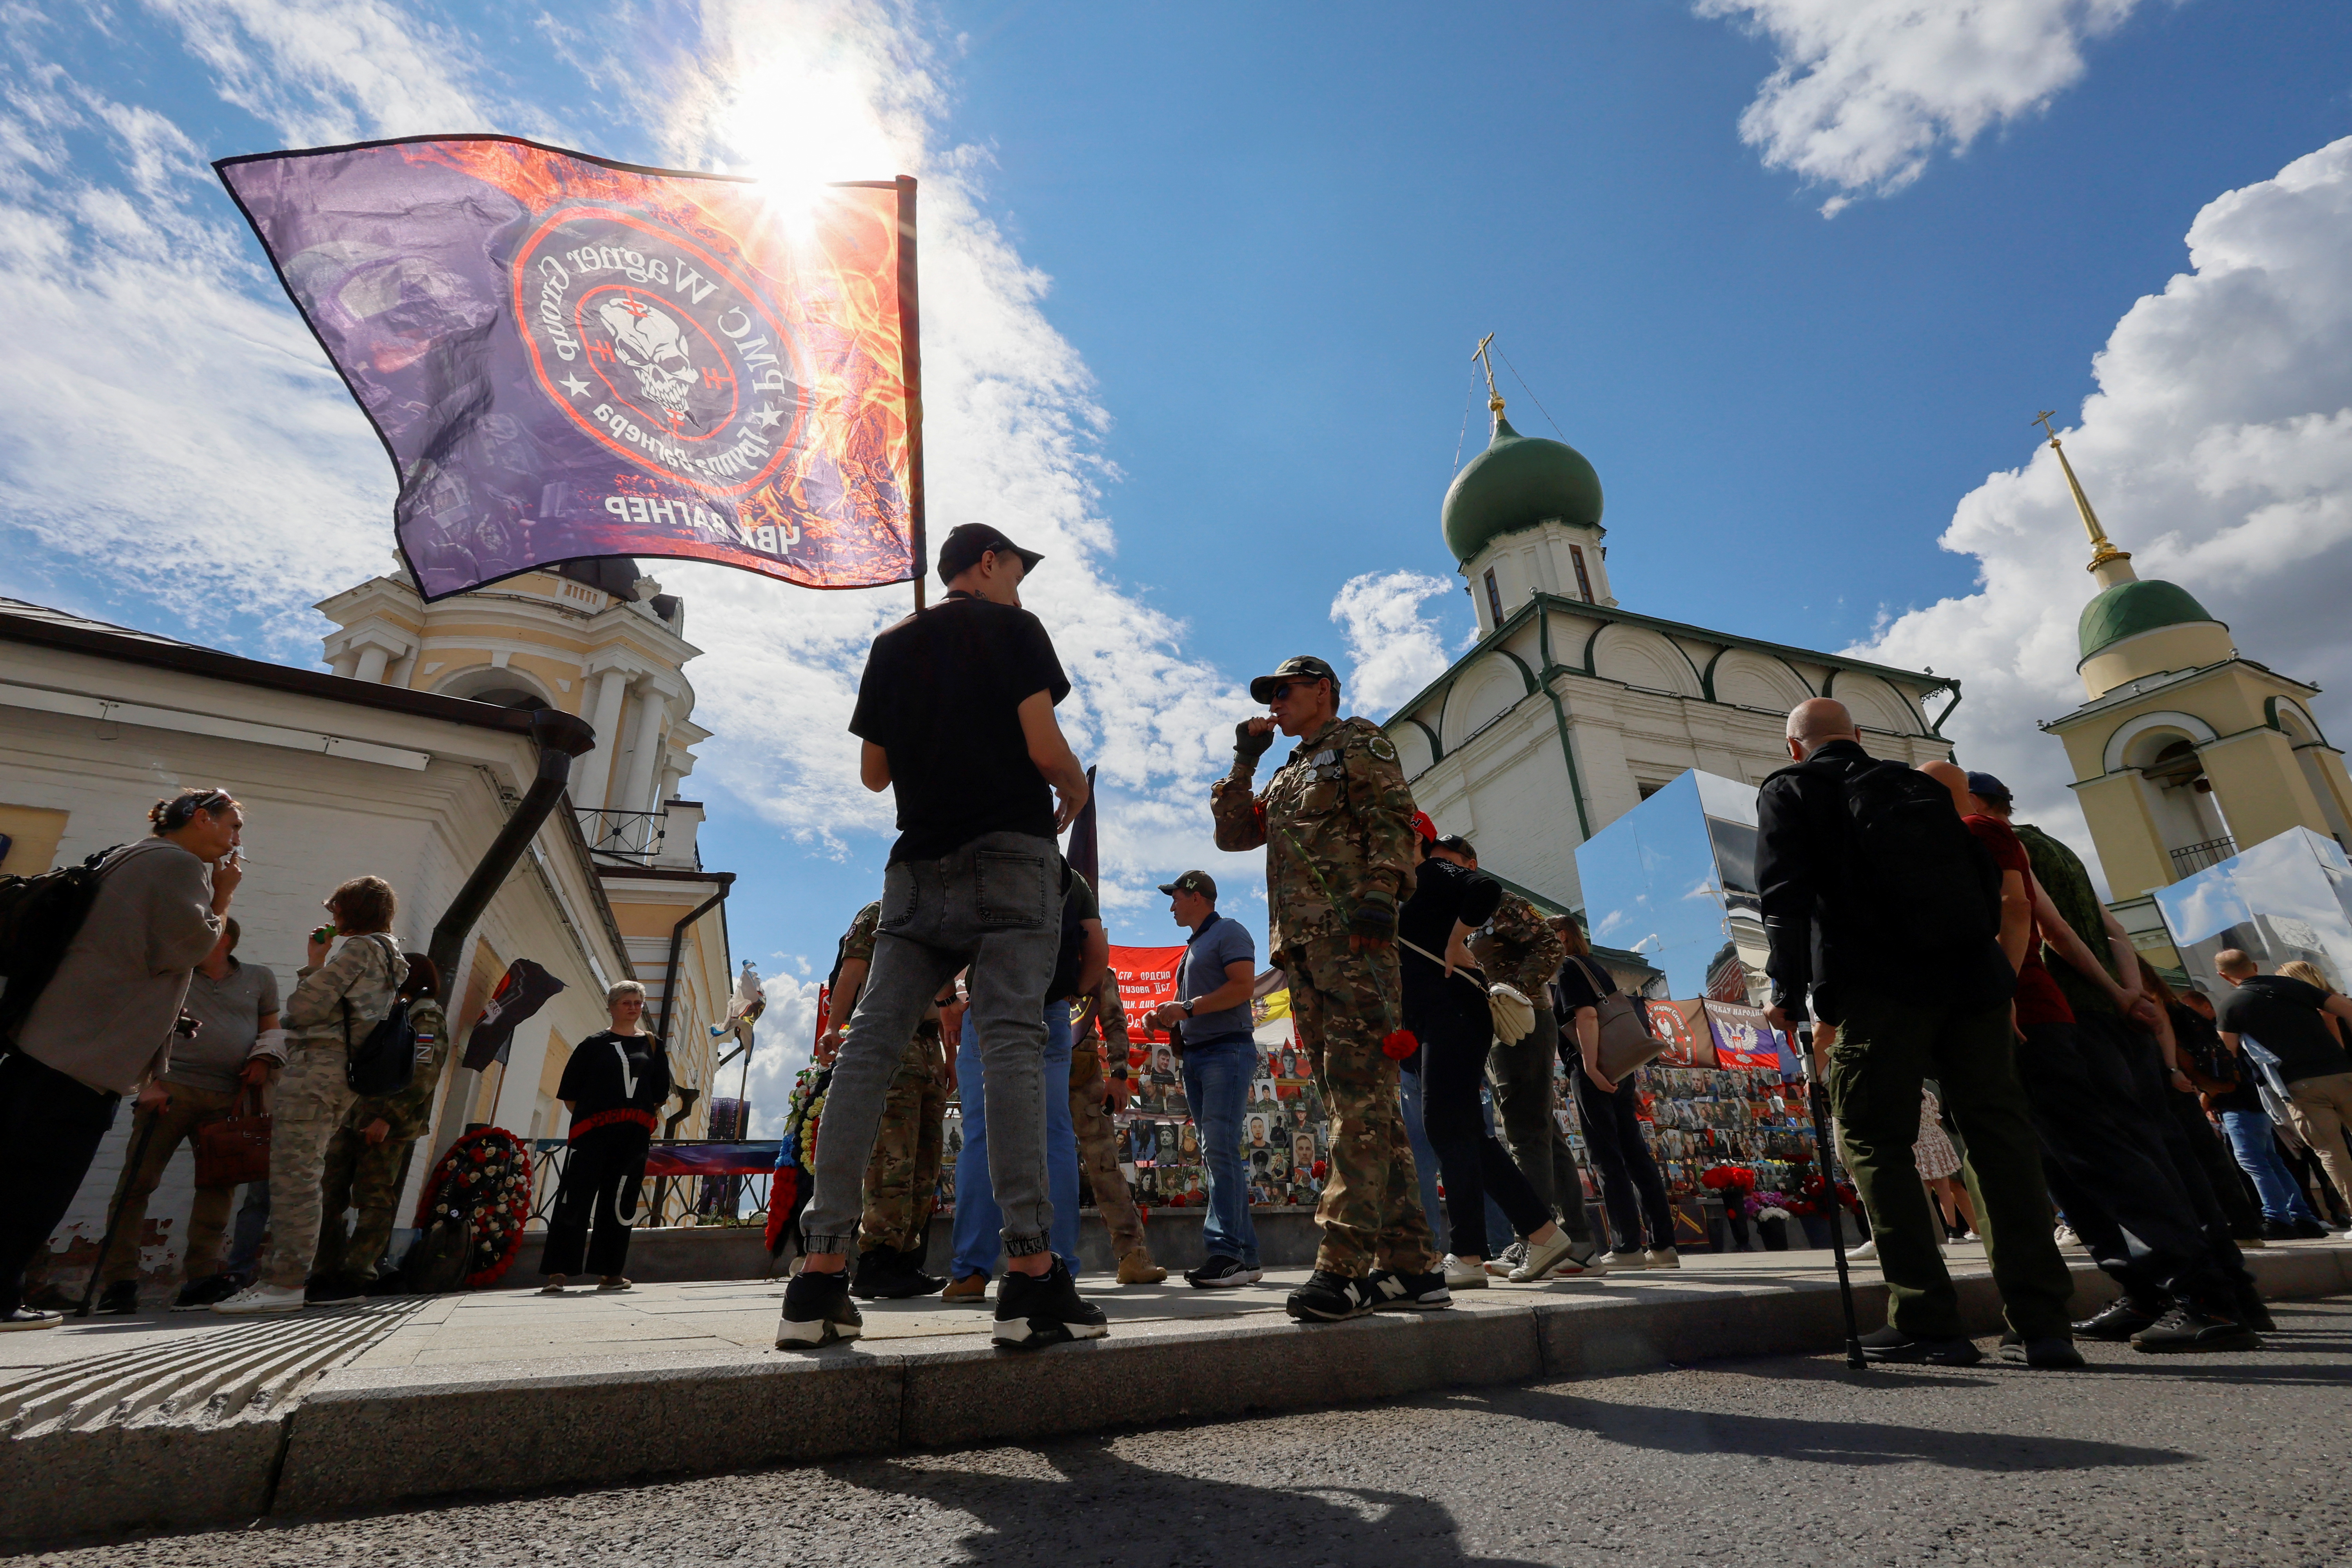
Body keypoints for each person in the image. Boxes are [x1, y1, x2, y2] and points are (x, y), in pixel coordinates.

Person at [779, 524, 1103, 1353]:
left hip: (917, 865)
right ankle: (1031, 1275)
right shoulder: (1015, 629)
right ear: (988, 563)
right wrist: (1071, 789)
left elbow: (875, 773)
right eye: (1019, 572)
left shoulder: (893, 645)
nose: (1022, 588)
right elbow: (1042, 743)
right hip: (1011, 854)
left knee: (869, 1045)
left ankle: (819, 1270)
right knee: (1009, 1041)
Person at [1754, 701, 2078, 1367]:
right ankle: (2043, 1325)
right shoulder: (1917, 786)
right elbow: (1986, 881)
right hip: (1973, 981)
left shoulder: (1792, 790)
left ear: (1794, 748)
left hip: (1880, 986)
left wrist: (1786, 991)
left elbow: (1783, 896)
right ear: (1861, 736)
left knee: (1876, 1138)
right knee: (1999, 1134)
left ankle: (1929, 1321)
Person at [1922, 761, 2255, 1352]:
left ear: (1968, 798)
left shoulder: (1980, 835)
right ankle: (2162, 1289)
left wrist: (2005, 992)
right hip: (2079, 1014)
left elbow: (2028, 920)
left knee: (2098, 1155)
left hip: (2038, 1015)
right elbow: (2093, 934)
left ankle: (2200, 1293)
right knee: (2083, 1161)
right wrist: (2125, 994)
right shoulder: (2047, 848)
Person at [1212, 654, 1442, 1321]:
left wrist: (1381, 893)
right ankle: (1412, 1267)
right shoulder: (1285, 775)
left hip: (1355, 942)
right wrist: (1245, 763)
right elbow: (1233, 836)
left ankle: (1343, 1268)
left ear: (1323, 691)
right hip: (1305, 954)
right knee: (1360, 1102)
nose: (1275, 703)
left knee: (1359, 1106)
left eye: (1285, 692)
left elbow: (1395, 819)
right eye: (1269, 695)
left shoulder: (1358, 743)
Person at [2, 789, 241, 1330]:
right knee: (39, 1181)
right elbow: (191, 948)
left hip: (47, 1039)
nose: (236, 840)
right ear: (201, 819)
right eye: (233, 825)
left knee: (14, 1168)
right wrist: (224, 897)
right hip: (84, 1055)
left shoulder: (129, 854)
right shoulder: (181, 865)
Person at [216, 875, 402, 1316]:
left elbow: (302, 1009)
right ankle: (287, 1278)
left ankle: (283, 1281)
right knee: (305, 1172)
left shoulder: (360, 949)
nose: (331, 916)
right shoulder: (392, 956)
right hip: (344, 1076)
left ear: (348, 912)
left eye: (336, 909)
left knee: (293, 1175)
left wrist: (314, 963)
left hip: (319, 1069)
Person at [1401, 833, 1581, 1286]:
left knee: (1448, 1124)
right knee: (1461, 1131)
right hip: (1435, 1019)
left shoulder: (1431, 869)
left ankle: (1470, 1252)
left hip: (1456, 1011)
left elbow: (1485, 890)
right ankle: (1538, 1234)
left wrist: (1457, 940)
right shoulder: (1402, 888)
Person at [92, 916, 281, 1314]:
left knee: (217, 1189)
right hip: (170, 1090)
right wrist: (147, 1084)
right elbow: (138, 1025)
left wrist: (265, 1057)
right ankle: (119, 1283)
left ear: (224, 940)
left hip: (228, 1097)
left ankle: (199, 1281)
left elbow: (272, 1029)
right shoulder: (173, 974)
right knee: (136, 1184)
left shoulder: (259, 978)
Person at [945, 869, 1098, 1294]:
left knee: (981, 1132)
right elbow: (1097, 953)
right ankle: (1060, 1263)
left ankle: (972, 1270)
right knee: (1054, 1134)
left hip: (989, 1006)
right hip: (1050, 1007)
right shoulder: (1072, 880)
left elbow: (947, 939)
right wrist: (1073, 994)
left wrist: (945, 999)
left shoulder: (984, 864)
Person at [818, 901, 949, 1301]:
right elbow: (852, 971)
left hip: (928, 1046)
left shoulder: (937, 919)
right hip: (891, 1038)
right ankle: (877, 1261)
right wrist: (833, 1027)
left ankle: (905, 1261)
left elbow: (943, 997)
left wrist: (949, 1056)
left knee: (925, 1161)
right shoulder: (881, 911)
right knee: (892, 1158)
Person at [1144, 869, 1263, 1288]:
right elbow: (1197, 1005)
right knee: (1219, 1152)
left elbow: (1243, 987)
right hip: (1201, 1056)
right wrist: (1166, 1015)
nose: (1172, 905)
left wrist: (1187, 1008)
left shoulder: (1229, 931)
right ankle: (1244, 1256)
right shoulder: (1194, 947)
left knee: (1218, 1150)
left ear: (1195, 895)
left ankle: (1227, 1252)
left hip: (1225, 1052)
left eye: (1175, 896)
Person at [1474, 894, 1601, 1277]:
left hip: (1519, 1019)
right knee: (1545, 1132)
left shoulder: (1494, 899)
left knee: (1525, 1132)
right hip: (1506, 1021)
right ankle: (1577, 1243)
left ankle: (1535, 1242)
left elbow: (1548, 945)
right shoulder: (1464, 913)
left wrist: (1512, 989)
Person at [310, 955, 448, 1301]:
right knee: (328, 1193)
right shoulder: (390, 1007)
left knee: (373, 1200)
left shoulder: (425, 1015)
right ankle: (326, 1270)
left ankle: (357, 1274)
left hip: (386, 1123)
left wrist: (389, 1117)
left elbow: (423, 1074)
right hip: (353, 1115)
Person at [1554, 918, 1674, 1270]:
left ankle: (1626, 1249)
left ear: (1561, 936)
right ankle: (1663, 1246)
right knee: (1636, 1154)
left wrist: (1590, 1067)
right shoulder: (1596, 968)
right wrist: (1626, 1076)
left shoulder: (1567, 968)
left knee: (1605, 1156)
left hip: (1594, 1068)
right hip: (1620, 1069)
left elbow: (1588, 1018)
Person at [540, 981, 672, 1294]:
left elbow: (658, 1094)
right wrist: (599, 1120)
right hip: (591, 1138)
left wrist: (632, 1120)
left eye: (638, 1002)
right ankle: (558, 1272)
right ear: (612, 1006)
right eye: (626, 1002)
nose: (633, 1007)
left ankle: (610, 1272)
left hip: (632, 1140)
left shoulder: (653, 1046)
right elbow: (571, 1095)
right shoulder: (593, 1045)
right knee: (574, 1198)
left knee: (620, 1202)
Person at [2213, 948, 2352, 1238]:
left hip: (2299, 1086)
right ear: (2253, 965)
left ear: (2223, 976)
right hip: (2342, 1074)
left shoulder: (2231, 1005)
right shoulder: (2294, 985)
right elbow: (2347, 1010)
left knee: (2332, 1153)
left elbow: (2225, 1054)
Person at [2138, 964, 2267, 1244]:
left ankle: (2225, 1227)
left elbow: (2162, 1033)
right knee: (2210, 1157)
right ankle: (2243, 1226)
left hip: (2172, 1083)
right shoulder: (2174, 1004)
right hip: (2187, 1085)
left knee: (2192, 1159)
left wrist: (2173, 1070)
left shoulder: (2150, 1000)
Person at [1069, 971, 1165, 1284]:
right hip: (1036, 1072)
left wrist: (1120, 1074)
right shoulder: (1030, 950)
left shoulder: (1092, 964)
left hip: (1083, 1077)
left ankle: (1133, 1255)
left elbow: (1114, 1020)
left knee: (1106, 1167)